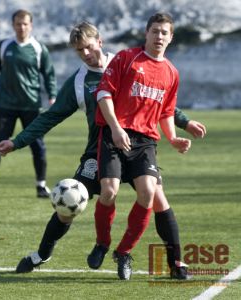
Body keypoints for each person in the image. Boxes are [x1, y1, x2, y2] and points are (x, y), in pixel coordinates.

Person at [0, 21, 206, 279]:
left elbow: (157, 98)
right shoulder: (79, 82)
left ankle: (175, 263)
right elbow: (50, 117)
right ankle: (42, 254)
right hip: (101, 148)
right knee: (69, 201)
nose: (85, 54)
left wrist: (184, 122)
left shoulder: (127, 61)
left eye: (89, 47)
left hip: (138, 143)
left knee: (157, 199)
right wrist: (17, 141)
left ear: (100, 42)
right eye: (79, 51)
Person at [93, 12, 192, 280]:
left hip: (145, 141)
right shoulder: (127, 58)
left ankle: (123, 251)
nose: (159, 36)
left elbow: (166, 112)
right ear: (146, 33)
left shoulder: (171, 73)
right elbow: (104, 93)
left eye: (164, 33)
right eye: (155, 31)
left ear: (170, 38)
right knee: (109, 192)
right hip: (115, 133)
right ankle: (102, 242)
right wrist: (115, 128)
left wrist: (172, 138)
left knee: (149, 193)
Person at [0, 9, 57, 199]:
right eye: (18, 24)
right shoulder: (4, 47)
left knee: (37, 146)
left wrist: (52, 95)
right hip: (5, 106)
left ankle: (41, 186)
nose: (21, 27)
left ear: (31, 25)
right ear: (13, 25)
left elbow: (49, 74)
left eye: (25, 24)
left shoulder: (38, 48)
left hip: (32, 106)